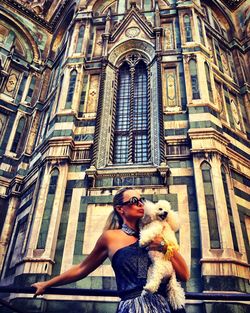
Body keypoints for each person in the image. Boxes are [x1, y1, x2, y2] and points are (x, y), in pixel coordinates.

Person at [32, 187, 190, 312]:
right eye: (135, 200)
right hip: (131, 308)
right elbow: (82, 268)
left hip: (164, 306)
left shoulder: (158, 234)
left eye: (142, 200)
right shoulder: (110, 238)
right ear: (121, 209)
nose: (141, 204)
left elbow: (184, 275)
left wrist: (164, 245)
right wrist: (47, 284)